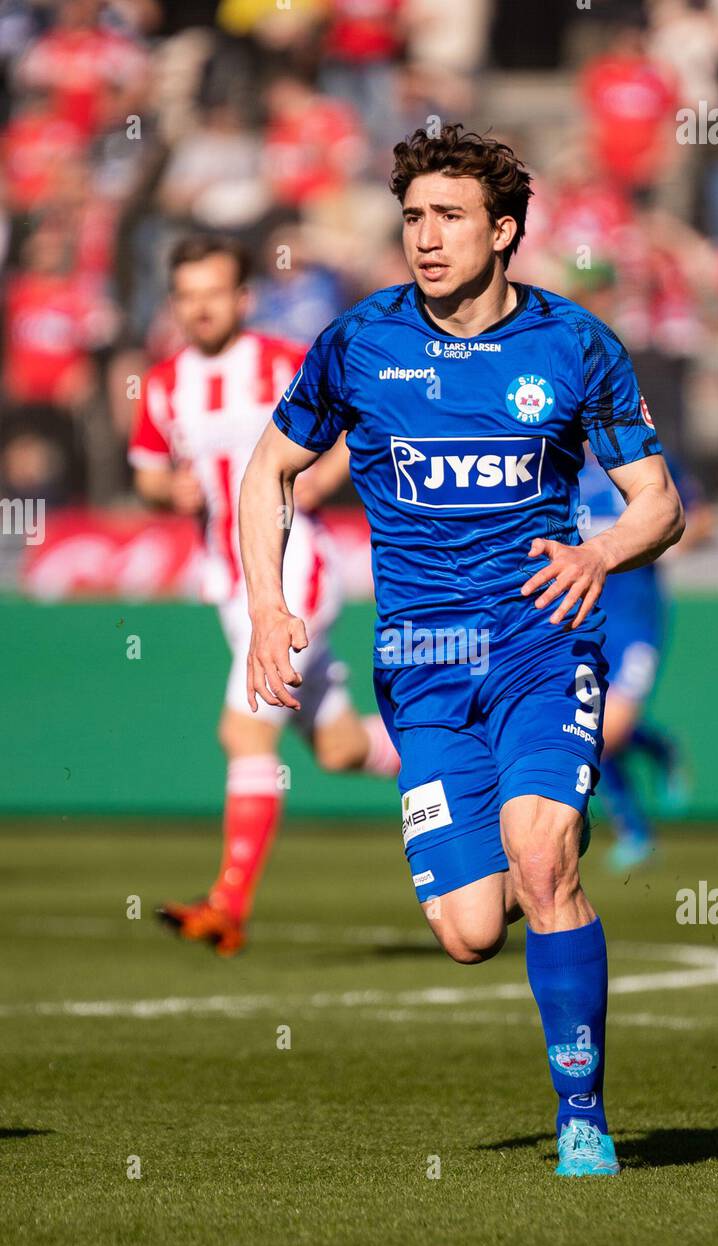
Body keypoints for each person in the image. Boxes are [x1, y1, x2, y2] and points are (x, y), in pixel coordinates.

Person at [239, 127, 684, 1177]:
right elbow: (270, 472)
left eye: (448, 218)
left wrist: (600, 550)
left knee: (544, 861)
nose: (425, 239)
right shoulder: (359, 342)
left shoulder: (574, 344)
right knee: (471, 929)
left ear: (504, 231)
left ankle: (582, 1114)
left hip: (543, 645)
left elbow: (655, 502)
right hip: (422, 665)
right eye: (411, 219)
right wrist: (267, 605)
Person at [130, 234, 398, 958]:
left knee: (244, 731)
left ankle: (228, 905)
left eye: (213, 292)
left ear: (243, 297)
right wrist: (167, 489)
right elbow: (149, 471)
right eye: (186, 295)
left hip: (292, 571)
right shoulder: (161, 384)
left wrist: (324, 474)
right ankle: (466, 756)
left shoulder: (283, 363)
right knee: (340, 750)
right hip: (228, 582)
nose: (200, 308)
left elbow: (356, 423)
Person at [577, 447, 716, 869]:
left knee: (610, 729)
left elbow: (702, 519)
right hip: (580, 613)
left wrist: (662, 541)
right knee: (593, 729)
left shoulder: (638, 454)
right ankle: (636, 830)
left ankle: (657, 749)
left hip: (635, 619)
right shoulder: (554, 459)